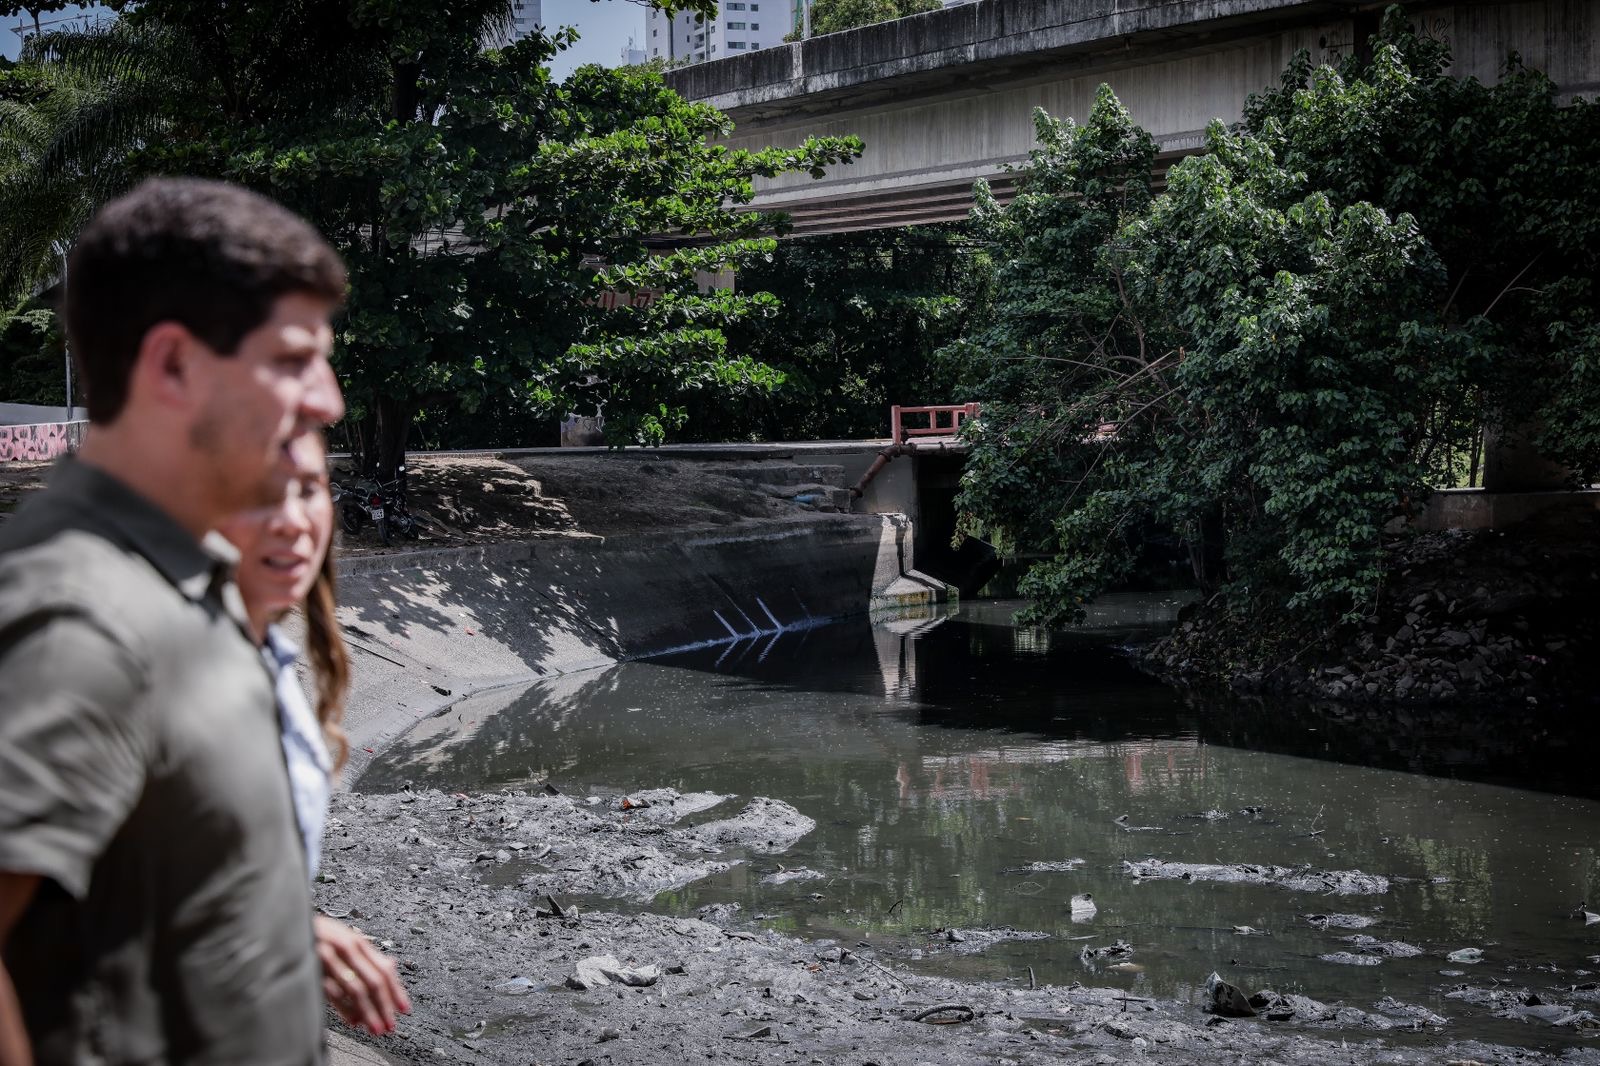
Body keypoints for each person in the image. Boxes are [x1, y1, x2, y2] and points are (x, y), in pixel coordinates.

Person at [0, 178, 346, 1065]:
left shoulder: (187, 580)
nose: (328, 400)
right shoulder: (81, 617)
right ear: (174, 366)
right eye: (294, 359)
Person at [216, 436, 410, 1039]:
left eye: (309, 491)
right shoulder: (139, 664)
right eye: (263, 496)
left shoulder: (268, 660)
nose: (294, 521)